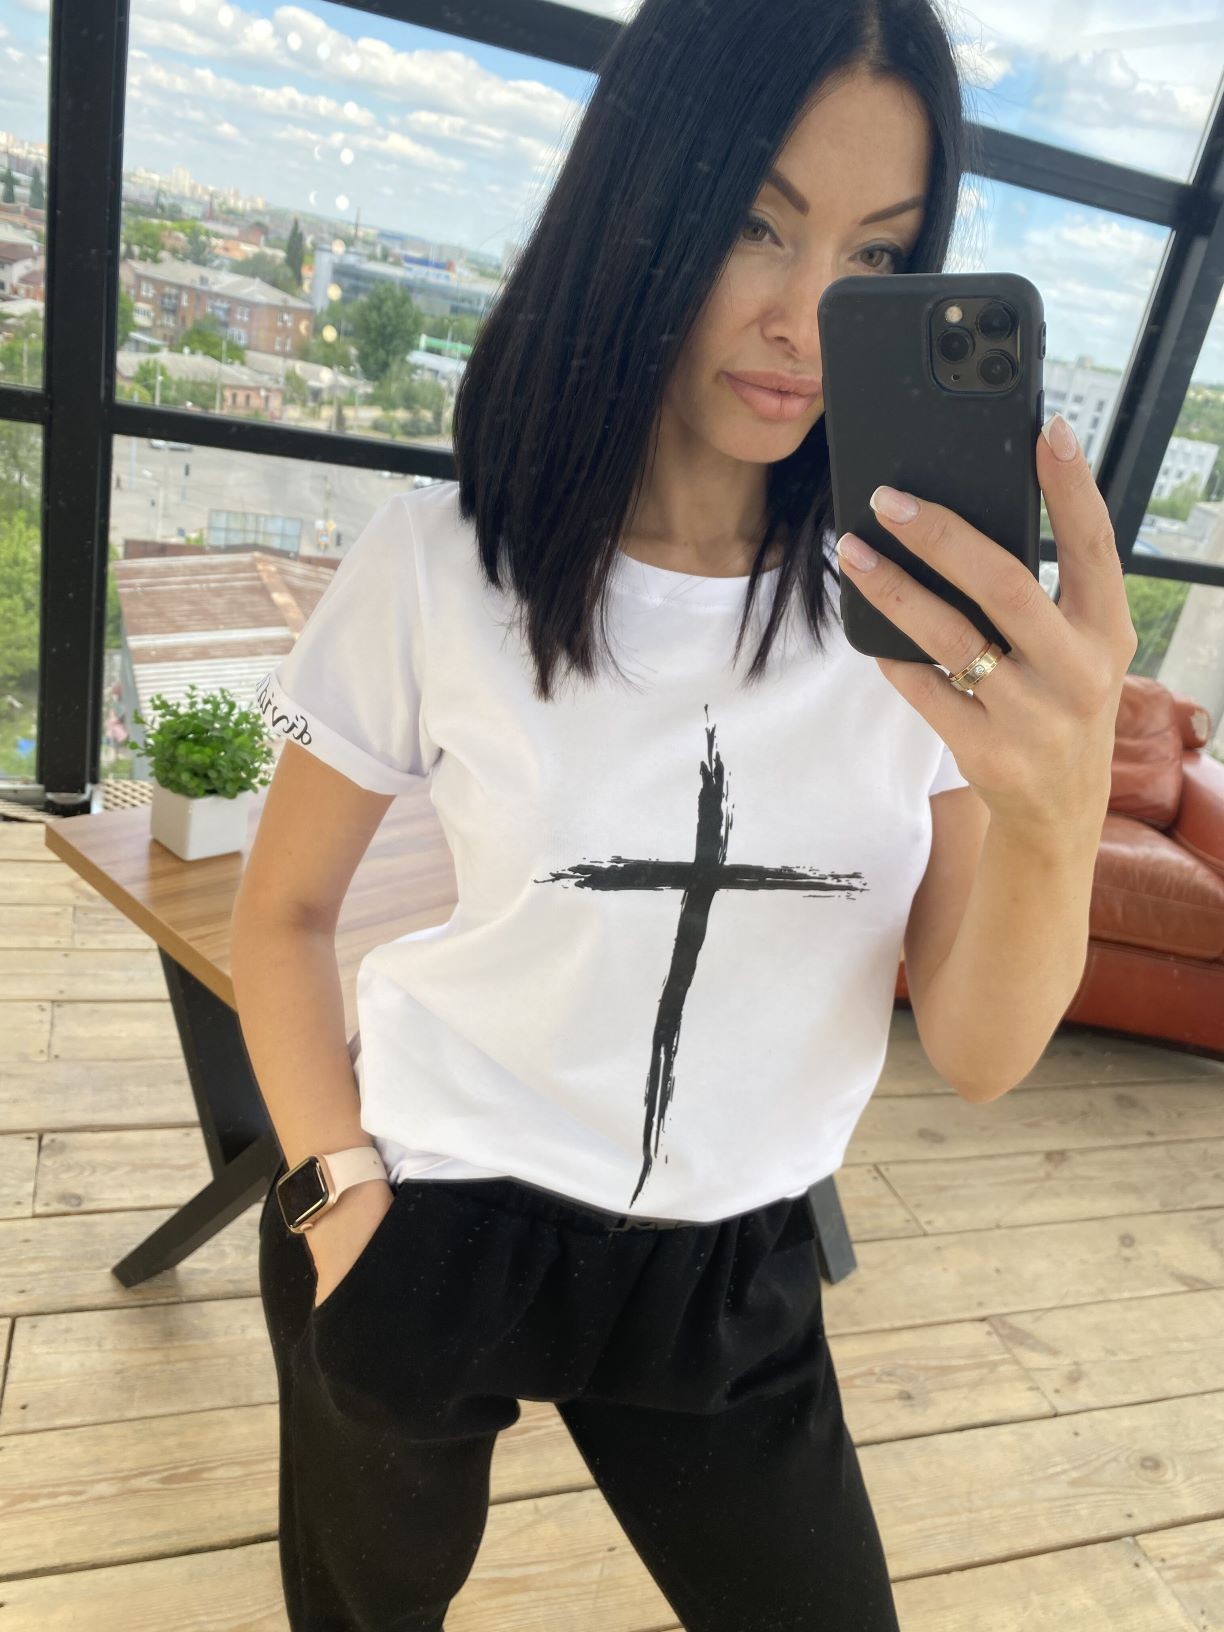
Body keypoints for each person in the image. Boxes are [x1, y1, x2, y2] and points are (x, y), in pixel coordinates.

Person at [230, 0, 982, 1626]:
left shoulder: (915, 620)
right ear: (640, 204)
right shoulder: (441, 566)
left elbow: (983, 1050)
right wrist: (339, 1206)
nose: (805, 317)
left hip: (733, 1260)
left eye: (876, 256)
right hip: (432, 1205)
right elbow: (280, 914)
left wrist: (1051, 800)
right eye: (755, 223)